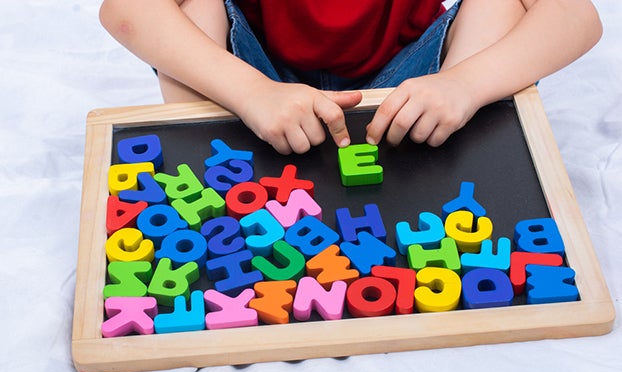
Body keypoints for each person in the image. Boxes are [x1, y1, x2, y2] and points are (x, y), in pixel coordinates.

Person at [99, 0, 602, 155]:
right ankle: (211, 166)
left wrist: (462, 85)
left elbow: (575, 17)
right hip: (257, 94)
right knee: (188, 8)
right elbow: (125, 10)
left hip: (404, 96)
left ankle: (458, 158)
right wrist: (253, 92)